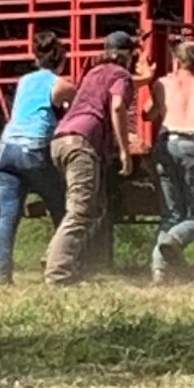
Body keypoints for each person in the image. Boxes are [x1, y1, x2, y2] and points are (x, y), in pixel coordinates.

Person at [43, 31, 152, 285]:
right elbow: (117, 105)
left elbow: (124, 83)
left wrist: (145, 78)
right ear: (127, 55)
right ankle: (58, 273)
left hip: (61, 140)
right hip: (82, 142)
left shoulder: (93, 73)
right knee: (81, 210)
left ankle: (54, 256)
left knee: (94, 207)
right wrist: (125, 149)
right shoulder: (121, 75)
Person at [0, 32, 77, 285]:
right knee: (61, 208)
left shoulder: (24, 81)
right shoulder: (62, 84)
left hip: (6, 149)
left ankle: (1, 275)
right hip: (35, 149)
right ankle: (62, 264)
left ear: (36, 57)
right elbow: (74, 111)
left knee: (7, 215)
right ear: (61, 60)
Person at [144, 41, 194, 285]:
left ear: (176, 62)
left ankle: (159, 270)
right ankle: (175, 240)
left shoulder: (162, 84)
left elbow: (148, 113)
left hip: (166, 144)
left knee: (171, 213)